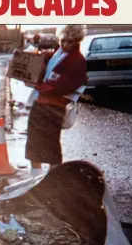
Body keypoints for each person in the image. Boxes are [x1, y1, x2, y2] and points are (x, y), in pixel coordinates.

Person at [25, 25, 87, 176]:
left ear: (77, 41)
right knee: (33, 141)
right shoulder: (57, 53)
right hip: (40, 103)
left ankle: (53, 179)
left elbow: (63, 86)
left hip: (55, 107)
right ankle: (35, 178)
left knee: (51, 144)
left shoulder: (78, 60)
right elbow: (45, 69)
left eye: (70, 42)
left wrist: (38, 86)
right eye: (62, 40)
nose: (65, 44)